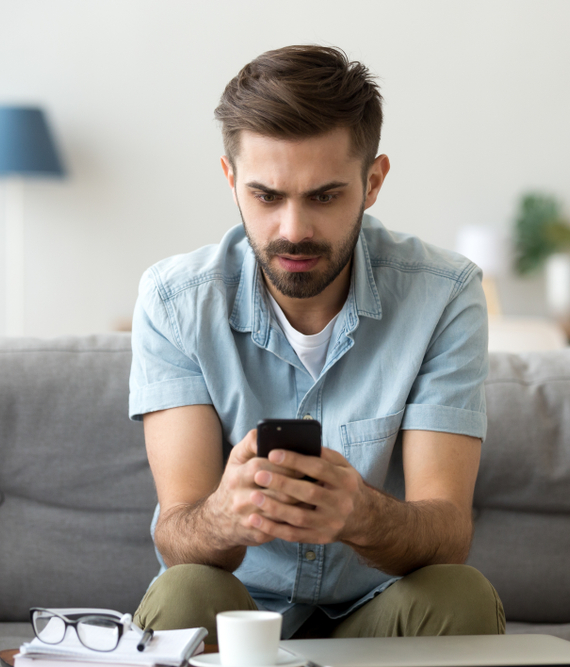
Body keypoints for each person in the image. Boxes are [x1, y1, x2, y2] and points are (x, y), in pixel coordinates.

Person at [128, 44, 504, 641]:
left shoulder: (444, 295)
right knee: (186, 590)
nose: (293, 229)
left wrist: (360, 515)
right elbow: (179, 536)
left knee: (460, 595)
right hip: (238, 613)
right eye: (267, 196)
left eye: (324, 196)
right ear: (231, 181)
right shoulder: (175, 302)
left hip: (377, 609)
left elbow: (448, 532)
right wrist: (226, 515)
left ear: (373, 181)